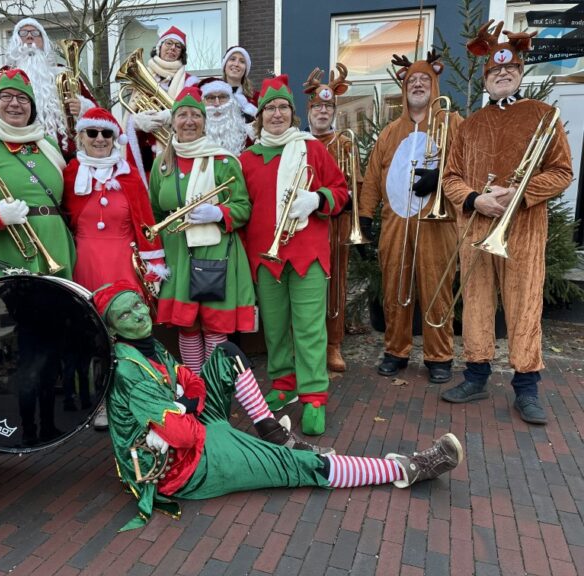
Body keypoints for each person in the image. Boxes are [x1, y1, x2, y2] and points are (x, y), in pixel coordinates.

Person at [94, 281, 464, 531]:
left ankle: (270, 431)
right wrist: (187, 405)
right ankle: (406, 467)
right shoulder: (128, 369)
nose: (139, 316)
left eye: (138, 305)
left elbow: (189, 381)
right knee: (300, 465)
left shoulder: (148, 345)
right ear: (112, 328)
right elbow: (183, 434)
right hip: (182, 466)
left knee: (225, 353)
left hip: (188, 428)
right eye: (125, 315)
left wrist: (186, 400)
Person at [441, 21, 573, 424]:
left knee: (523, 307)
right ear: (487, 77)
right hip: (478, 228)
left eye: (510, 69)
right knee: (477, 304)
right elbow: (450, 177)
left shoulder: (543, 115)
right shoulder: (469, 125)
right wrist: (475, 199)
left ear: (519, 74)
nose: (502, 74)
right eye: (495, 70)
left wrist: (521, 194)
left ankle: (527, 388)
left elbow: (562, 172)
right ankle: (476, 376)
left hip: (524, 231)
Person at [240, 75, 348, 436]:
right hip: (265, 257)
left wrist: (318, 199)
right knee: (275, 328)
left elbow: (341, 191)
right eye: (269, 108)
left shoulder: (312, 148)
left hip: (307, 254)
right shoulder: (247, 159)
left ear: (292, 113)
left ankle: (314, 394)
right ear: (259, 116)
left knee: (309, 327)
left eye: (283, 107)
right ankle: (283, 383)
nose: (276, 114)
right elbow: (243, 210)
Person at [358, 51, 462, 384]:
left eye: (423, 80)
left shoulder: (452, 123)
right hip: (395, 224)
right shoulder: (390, 132)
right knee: (394, 289)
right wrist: (364, 217)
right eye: (411, 81)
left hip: (437, 225)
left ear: (434, 85)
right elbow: (372, 176)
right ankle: (396, 351)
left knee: (437, 289)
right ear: (404, 90)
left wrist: (440, 177)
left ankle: (439, 355)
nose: (417, 85)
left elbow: (467, 164)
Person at [63, 107, 168, 430]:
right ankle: (99, 401)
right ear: (80, 136)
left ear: (115, 139)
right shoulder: (69, 173)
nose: (99, 139)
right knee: (92, 334)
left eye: (106, 133)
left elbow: (146, 223)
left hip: (123, 263)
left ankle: (138, 395)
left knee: (131, 331)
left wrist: (154, 264)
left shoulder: (130, 175)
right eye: (91, 133)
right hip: (85, 264)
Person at [149, 87, 256, 374]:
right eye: (182, 114)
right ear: (173, 121)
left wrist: (218, 212)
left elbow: (243, 208)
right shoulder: (161, 164)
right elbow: (155, 212)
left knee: (214, 327)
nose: (189, 121)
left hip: (215, 252)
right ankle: (196, 385)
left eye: (196, 115)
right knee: (187, 326)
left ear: (204, 122)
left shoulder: (223, 161)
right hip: (177, 253)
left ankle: (214, 387)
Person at [0, 68, 75, 281]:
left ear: (32, 107)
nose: (15, 103)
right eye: (6, 96)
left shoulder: (48, 145)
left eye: (22, 98)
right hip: (6, 247)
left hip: (57, 243)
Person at [303, 64, 363, 372]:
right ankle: (306, 342)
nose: (323, 112)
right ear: (309, 111)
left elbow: (355, 183)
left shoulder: (344, 141)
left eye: (328, 107)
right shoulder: (299, 142)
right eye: (318, 107)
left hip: (337, 222)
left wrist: (344, 202)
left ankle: (333, 344)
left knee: (336, 284)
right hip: (306, 223)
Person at [0, 17, 96, 158]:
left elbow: (99, 112)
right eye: (23, 33)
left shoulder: (64, 73)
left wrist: (83, 107)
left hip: (66, 155)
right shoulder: (4, 76)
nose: (30, 36)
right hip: (20, 154)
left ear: (44, 41)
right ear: (15, 41)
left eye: (35, 33)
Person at [126, 26, 198, 181]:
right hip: (145, 151)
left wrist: (170, 115)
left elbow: (196, 111)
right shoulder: (143, 76)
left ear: (181, 53)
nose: (172, 48)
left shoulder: (189, 81)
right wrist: (136, 122)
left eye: (178, 46)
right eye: (168, 43)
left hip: (175, 151)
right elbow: (130, 111)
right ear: (159, 47)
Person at [199, 77, 252, 156]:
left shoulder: (247, 136)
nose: (217, 104)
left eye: (222, 97)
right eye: (210, 98)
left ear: (232, 101)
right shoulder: (194, 136)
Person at [221, 46, 259, 122]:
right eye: (232, 59)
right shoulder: (212, 96)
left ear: (245, 69)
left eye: (242, 61)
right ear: (225, 65)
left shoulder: (256, 98)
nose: (236, 64)